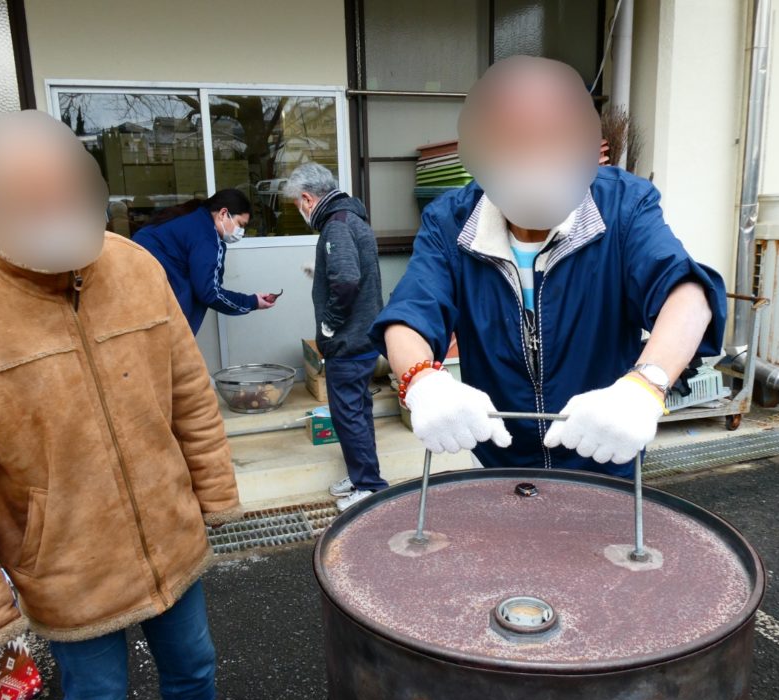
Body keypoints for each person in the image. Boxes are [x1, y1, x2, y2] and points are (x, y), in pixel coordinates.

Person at [0, 110, 243, 700]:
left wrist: (214, 493)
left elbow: (191, 395)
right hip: (66, 566)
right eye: (30, 200)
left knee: (195, 670)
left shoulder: (135, 267)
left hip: (169, 531)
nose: (53, 212)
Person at [371, 57, 727, 477]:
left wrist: (644, 388)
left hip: (605, 453)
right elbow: (410, 313)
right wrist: (422, 382)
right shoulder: (451, 221)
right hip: (499, 457)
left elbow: (686, 294)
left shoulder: (623, 207)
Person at [285, 163, 389, 511]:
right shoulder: (352, 218)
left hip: (349, 340)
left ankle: (369, 485)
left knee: (348, 414)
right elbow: (350, 272)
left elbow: (346, 280)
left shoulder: (337, 225)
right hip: (363, 335)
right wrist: (320, 272)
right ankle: (362, 474)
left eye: (298, 205)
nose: (300, 211)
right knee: (357, 410)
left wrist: (329, 325)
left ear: (307, 198)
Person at [133, 189, 279, 335]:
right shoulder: (207, 237)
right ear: (223, 213)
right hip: (152, 290)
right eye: (240, 224)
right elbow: (209, 292)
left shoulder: (192, 216)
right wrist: (252, 302)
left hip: (134, 279)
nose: (241, 232)